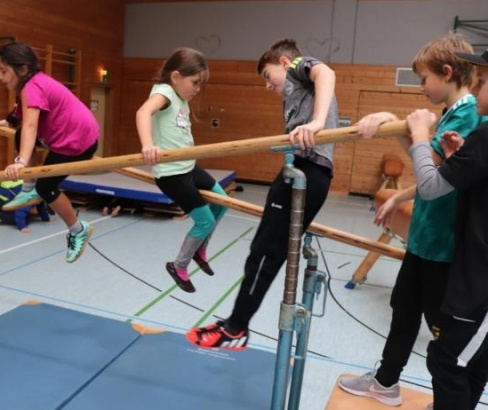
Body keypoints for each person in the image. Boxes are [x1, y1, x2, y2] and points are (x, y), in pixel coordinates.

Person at [338, 35, 482, 407]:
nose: (421, 87)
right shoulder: (452, 112)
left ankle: (453, 400)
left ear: (446, 72)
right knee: (403, 307)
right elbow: (433, 167)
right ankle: (386, 381)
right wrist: (399, 194)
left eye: (424, 79)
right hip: (424, 237)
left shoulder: (468, 113)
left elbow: (433, 172)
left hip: (443, 245)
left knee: (442, 333)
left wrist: (402, 126)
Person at [186, 38, 338, 348]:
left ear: (283, 63)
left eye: (268, 77)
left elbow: (326, 73)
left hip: (309, 171)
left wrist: (318, 122)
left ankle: (236, 328)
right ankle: (236, 322)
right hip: (297, 169)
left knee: (265, 253)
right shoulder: (295, 93)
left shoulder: (297, 67)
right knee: (261, 250)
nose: (268, 86)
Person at [407, 49, 488, 410]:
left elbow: (429, 187)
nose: (477, 87)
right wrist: (459, 159)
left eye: (482, 82)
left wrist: (420, 137)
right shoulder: (482, 137)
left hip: (480, 281)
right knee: (472, 362)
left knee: (447, 360)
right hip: (475, 271)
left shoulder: (485, 132)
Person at [0, 41, 99, 263]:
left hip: (76, 142)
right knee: (20, 135)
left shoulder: (32, 88)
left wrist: (21, 162)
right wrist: (9, 120)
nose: (0, 77)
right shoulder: (34, 83)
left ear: (22, 69)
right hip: (71, 136)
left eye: (3, 71)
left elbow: (31, 125)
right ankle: (28, 188)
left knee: (46, 187)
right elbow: (23, 115)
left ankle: (78, 229)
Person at [136, 47, 228, 293]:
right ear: (175, 77)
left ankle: (199, 248)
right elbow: (143, 112)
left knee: (222, 201)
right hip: (172, 175)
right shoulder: (165, 92)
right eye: (195, 82)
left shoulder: (182, 99)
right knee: (205, 220)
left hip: (188, 167)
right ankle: (179, 266)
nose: (197, 89)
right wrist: (148, 144)